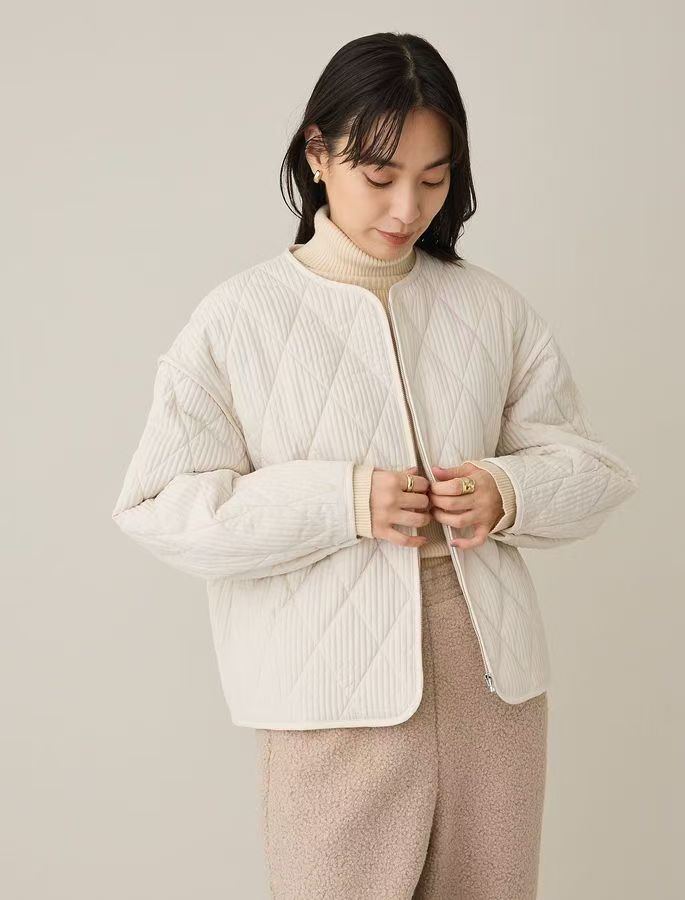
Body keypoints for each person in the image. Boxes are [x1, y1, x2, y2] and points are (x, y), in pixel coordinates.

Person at [111, 31, 639, 900]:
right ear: (317, 154)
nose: (406, 207)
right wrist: (343, 501)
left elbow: (593, 471)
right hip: (329, 698)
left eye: (434, 179)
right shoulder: (239, 318)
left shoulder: (489, 308)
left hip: (491, 687)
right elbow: (159, 506)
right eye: (380, 175)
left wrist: (508, 491)